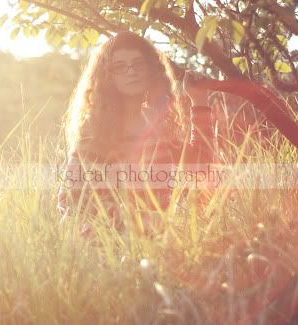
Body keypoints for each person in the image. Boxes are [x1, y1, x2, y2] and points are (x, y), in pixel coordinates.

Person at [56, 30, 216, 233]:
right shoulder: (96, 129)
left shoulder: (159, 126)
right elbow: (68, 199)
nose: (131, 72)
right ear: (108, 76)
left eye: (138, 64)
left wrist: (199, 102)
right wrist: (124, 223)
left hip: (157, 244)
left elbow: (200, 167)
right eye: (120, 67)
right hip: (105, 245)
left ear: (151, 70)